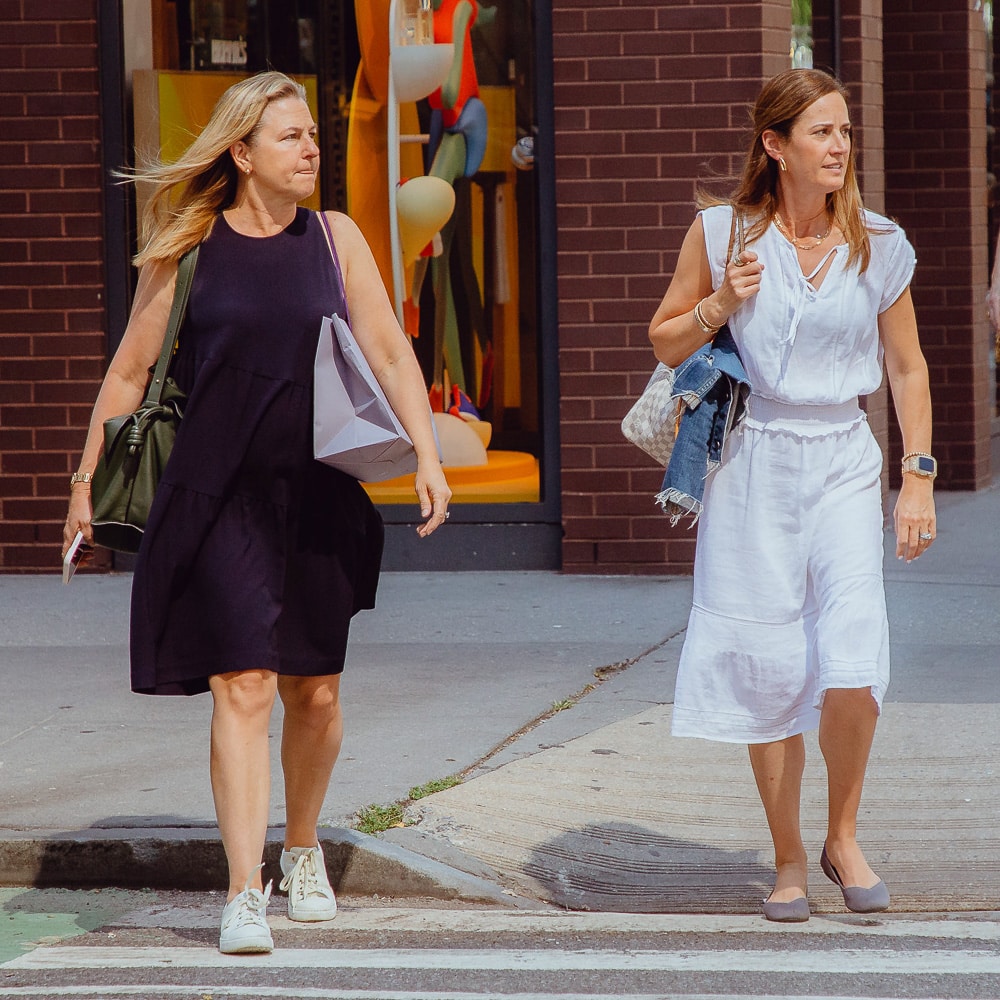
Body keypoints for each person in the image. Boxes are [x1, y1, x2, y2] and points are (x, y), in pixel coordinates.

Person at [62, 71, 451, 954]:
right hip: (217, 492)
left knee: (314, 690)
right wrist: (85, 484)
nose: (311, 148)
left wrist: (427, 454)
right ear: (241, 154)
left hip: (315, 492)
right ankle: (244, 889)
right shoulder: (192, 246)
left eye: (313, 135)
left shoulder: (336, 239)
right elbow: (129, 373)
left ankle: (304, 846)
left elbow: (389, 353)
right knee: (243, 682)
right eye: (290, 137)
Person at [648, 68, 935, 922]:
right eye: (821, 132)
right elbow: (665, 341)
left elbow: (909, 367)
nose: (841, 146)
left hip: (844, 456)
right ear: (776, 146)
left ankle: (841, 836)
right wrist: (718, 304)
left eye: (845, 131)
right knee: (769, 663)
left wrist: (915, 477)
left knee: (852, 654)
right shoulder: (721, 232)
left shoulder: (878, 242)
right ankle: (785, 860)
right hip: (752, 462)